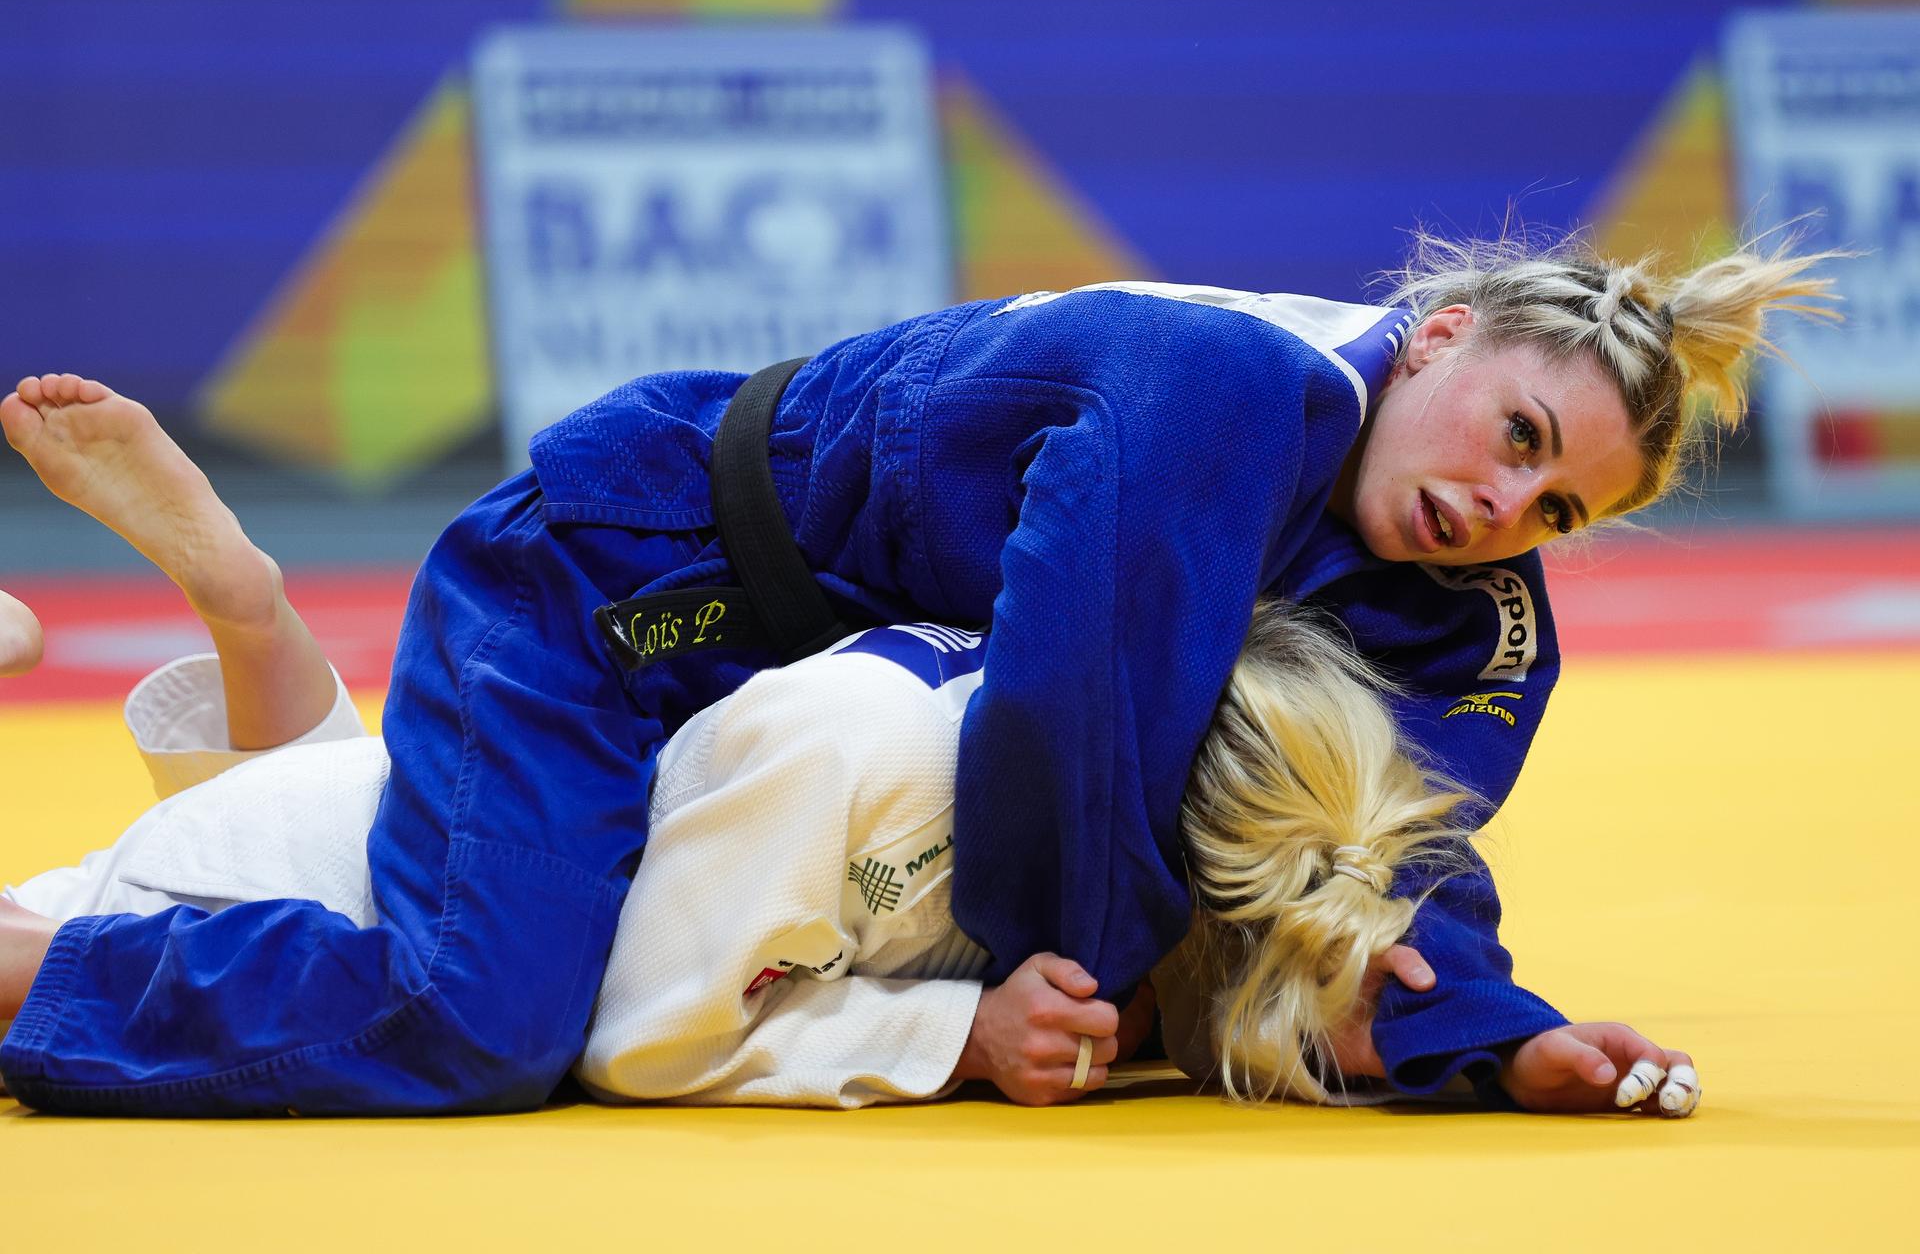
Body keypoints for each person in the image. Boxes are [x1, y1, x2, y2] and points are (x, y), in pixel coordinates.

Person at [0, 229, 1830, 1115]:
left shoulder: (1473, 598)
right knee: (490, 1012)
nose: (1505, 505)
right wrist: (1049, 1003)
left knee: (455, 863)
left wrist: (1489, 1039)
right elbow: (1064, 696)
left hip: (816, 689)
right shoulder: (1231, 383)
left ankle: (260, 658)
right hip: (623, 583)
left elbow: (1372, 835)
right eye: (1513, 432)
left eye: (1561, 505)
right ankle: (35, 972)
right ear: (1432, 337)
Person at [1, 558, 1697, 1113]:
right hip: (265, 889)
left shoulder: (1141, 809)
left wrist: (1506, 1039)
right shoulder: (877, 747)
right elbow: (637, 1026)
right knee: (455, 1025)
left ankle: (244, 610)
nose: (1341, 1046)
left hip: (405, 822)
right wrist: (942, 1037)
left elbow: (1386, 914)